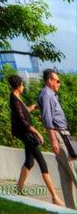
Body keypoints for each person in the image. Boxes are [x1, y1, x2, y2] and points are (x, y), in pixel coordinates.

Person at [8, 74, 63, 205]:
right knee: (42, 163)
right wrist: (38, 133)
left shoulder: (16, 97)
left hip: (26, 134)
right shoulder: (14, 99)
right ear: (18, 86)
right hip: (27, 134)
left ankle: (18, 189)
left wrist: (33, 107)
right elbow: (23, 122)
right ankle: (55, 197)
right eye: (22, 85)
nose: (23, 87)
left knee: (29, 162)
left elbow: (23, 111)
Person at [39, 68, 77, 207]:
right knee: (74, 169)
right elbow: (48, 120)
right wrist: (54, 141)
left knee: (65, 177)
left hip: (61, 135)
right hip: (59, 136)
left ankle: (71, 209)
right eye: (57, 81)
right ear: (49, 80)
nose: (59, 83)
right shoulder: (47, 95)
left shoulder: (51, 95)